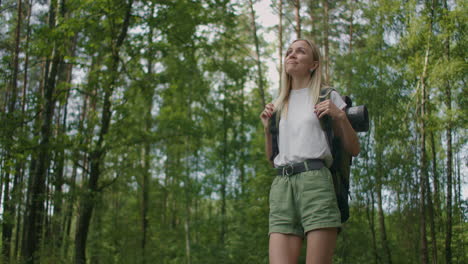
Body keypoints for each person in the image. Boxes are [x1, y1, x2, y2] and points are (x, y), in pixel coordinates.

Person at [259, 39, 360, 264]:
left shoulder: (327, 96)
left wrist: (341, 116)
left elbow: (354, 149)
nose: (292, 55)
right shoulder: (277, 104)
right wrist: (268, 130)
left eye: (300, 51)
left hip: (316, 182)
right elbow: (272, 159)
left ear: (313, 64)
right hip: (282, 186)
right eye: (288, 52)